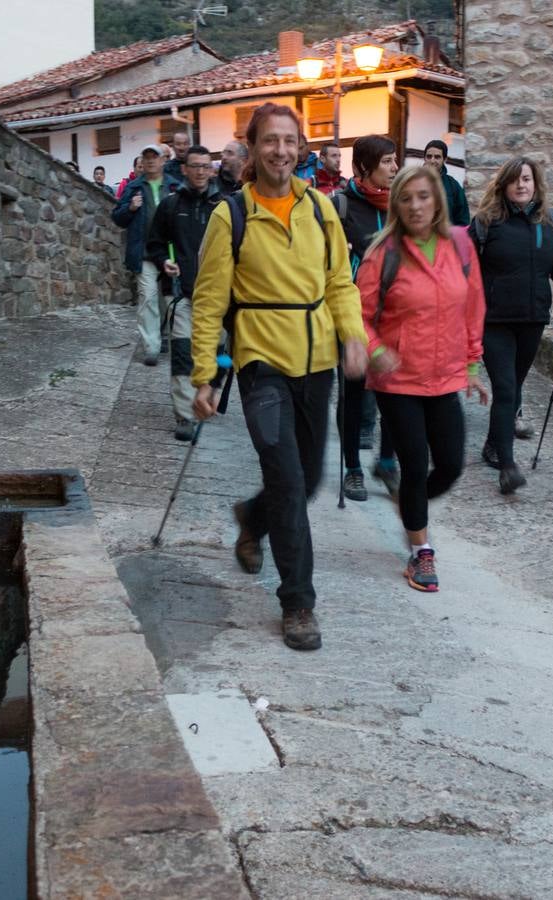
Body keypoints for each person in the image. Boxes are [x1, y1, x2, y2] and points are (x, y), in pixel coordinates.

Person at [190, 103, 367, 652]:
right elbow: (209, 299)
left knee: (308, 478)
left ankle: (251, 516)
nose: (281, 151)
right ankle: (298, 603)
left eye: (290, 141)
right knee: (289, 480)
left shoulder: (321, 210)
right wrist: (203, 374)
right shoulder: (230, 216)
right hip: (261, 364)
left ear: (302, 147)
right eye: (270, 141)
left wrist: (353, 336)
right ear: (252, 147)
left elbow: (340, 280)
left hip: (316, 364)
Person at [358, 165, 488, 592]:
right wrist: (376, 352)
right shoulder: (383, 253)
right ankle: (420, 551)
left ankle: (410, 508)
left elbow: (472, 308)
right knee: (414, 466)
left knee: (450, 465)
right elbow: (357, 314)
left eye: (423, 196)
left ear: (437, 200)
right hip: (398, 380)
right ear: (396, 204)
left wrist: (471, 365)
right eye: (406, 198)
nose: (415, 206)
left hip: (445, 376)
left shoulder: (461, 247)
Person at [471, 156, 553, 495]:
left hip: (532, 319)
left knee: (514, 386)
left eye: (527, 179)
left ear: (535, 183)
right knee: (506, 388)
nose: (521, 185)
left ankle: (493, 446)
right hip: (493, 320)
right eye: (515, 180)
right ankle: (507, 467)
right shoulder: (485, 222)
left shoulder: (551, 222)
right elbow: (464, 268)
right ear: (504, 185)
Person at [333, 134, 401, 501]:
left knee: (396, 390)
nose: (394, 168)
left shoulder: (401, 207)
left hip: (394, 316)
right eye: (387, 161)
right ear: (363, 167)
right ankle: (352, 469)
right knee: (353, 394)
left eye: (395, 161)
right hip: (353, 315)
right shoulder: (341, 207)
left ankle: (387, 462)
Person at [146, 144, 220, 442]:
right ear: (185, 169)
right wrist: (164, 261)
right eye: (195, 166)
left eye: (205, 166)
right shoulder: (170, 205)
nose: (200, 171)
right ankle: (185, 415)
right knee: (181, 355)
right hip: (182, 294)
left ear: (211, 170)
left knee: (215, 355)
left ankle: (205, 401)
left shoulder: (225, 206)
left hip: (217, 298)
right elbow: (154, 243)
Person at [111, 144, 172, 366]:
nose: (150, 162)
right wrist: (131, 209)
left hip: (168, 253)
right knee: (147, 298)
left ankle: (162, 334)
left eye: (154, 157)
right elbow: (117, 217)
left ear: (162, 161)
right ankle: (151, 347)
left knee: (167, 301)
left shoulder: (173, 186)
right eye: (146, 158)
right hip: (144, 254)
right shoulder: (134, 187)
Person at [423, 139, 469, 226]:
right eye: (429, 156)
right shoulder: (414, 183)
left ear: (445, 159)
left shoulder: (453, 186)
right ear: (424, 158)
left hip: (446, 237)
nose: (432, 161)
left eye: (437, 157)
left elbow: (463, 220)